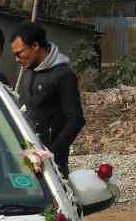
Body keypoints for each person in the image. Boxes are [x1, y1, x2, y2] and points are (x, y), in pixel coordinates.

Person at [11, 23, 85, 175]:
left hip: (51, 161)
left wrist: (51, 152)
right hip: (28, 151)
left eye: (19, 53)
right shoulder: (30, 70)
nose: (17, 59)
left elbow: (76, 120)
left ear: (35, 46)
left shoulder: (63, 75)